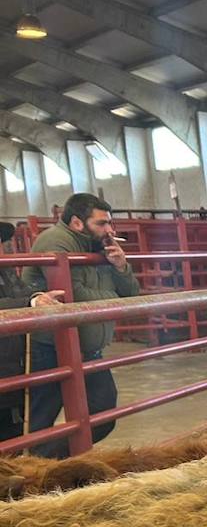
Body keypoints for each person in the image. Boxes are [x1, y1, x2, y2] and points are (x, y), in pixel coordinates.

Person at [19, 193, 138, 456]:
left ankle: (48, 464)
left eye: (110, 223)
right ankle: (34, 473)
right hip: (51, 347)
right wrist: (114, 299)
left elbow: (131, 295)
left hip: (87, 349)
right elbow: (72, 296)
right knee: (40, 421)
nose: (110, 230)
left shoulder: (99, 247)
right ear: (76, 223)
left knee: (103, 413)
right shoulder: (56, 241)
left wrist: (121, 267)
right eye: (102, 224)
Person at [1, 222, 66, 443]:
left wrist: (39, 296)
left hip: (11, 366)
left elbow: (20, 292)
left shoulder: (6, 270)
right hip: (8, 367)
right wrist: (31, 301)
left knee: (15, 432)